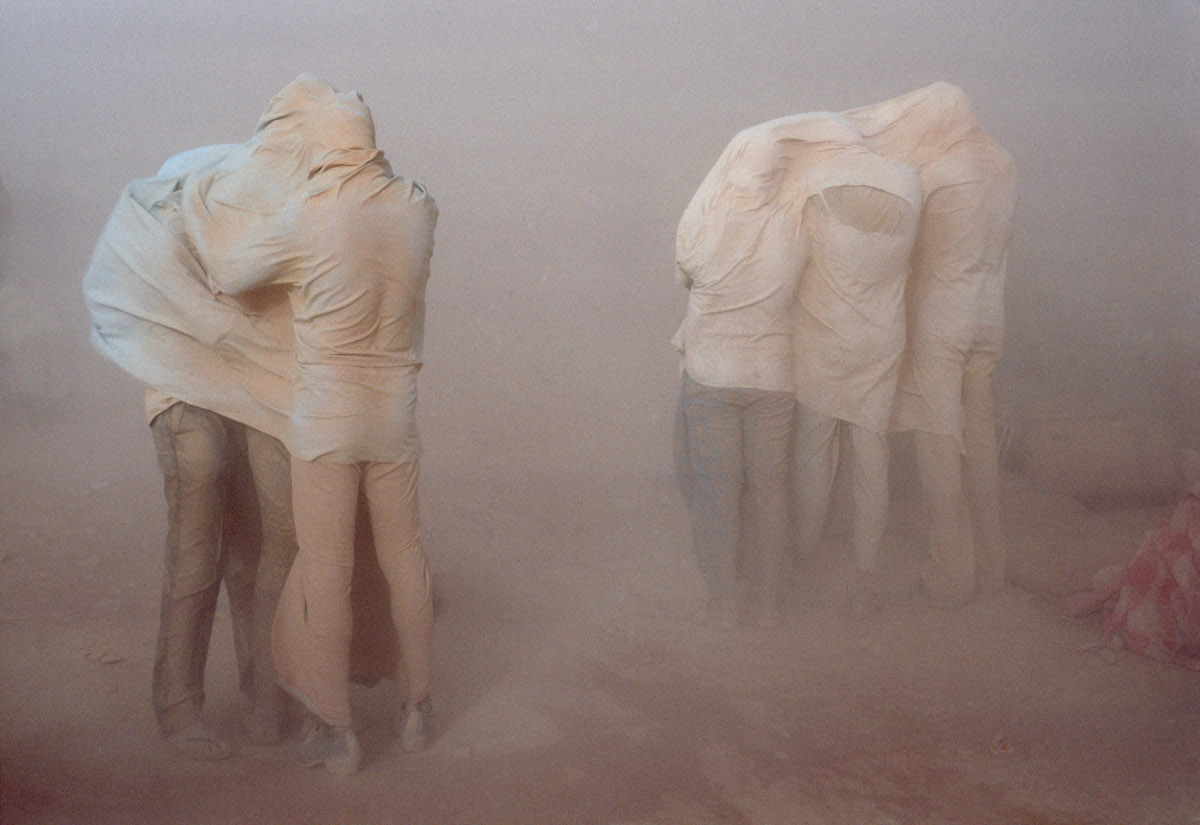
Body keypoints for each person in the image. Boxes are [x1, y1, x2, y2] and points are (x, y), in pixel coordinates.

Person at [84, 75, 436, 775]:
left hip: (294, 398)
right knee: (213, 523)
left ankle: (292, 704)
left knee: (298, 542)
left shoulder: (298, 209)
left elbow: (249, 285)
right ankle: (185, 703)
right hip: (238, 381)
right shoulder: (408, 205)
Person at [844, 82, 1017, 606]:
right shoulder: (1004, 164)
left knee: (940, 443)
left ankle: (950, 576)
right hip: (990, 314)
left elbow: (902, 245)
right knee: (981, 443)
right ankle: (992, 568)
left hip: (944, 316)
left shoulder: (937, 173)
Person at [672, 117, 807, 629]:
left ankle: (724, 604)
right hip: (774, 375)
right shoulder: (793, 220)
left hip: (712, 374)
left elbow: (684, 269)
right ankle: (771, 606)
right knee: (771, 490)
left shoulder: (707, 220)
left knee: (718, 491)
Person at [786, 114, 922, 617]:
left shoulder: (815, 184)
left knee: (814, 449)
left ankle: (804, 549)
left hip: (823, 337)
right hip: (880, 341)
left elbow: (793, 258)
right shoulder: (908, 182)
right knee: (872, 453)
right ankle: (866, 566)